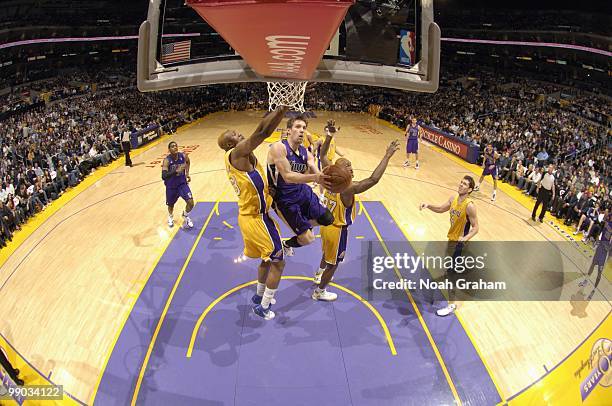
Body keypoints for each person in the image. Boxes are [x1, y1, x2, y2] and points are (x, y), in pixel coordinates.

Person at [314, 120, 399, 301]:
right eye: (347, 166)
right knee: (334, 264)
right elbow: (373, 179)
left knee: (327, 255)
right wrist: (387, 156)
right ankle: (320, 291)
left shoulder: (329, 175)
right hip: (337, 230)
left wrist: (329, 136)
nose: (351, 168)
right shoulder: (347, 188)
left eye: (351, 165)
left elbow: (322, 155)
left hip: (325, 226)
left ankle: (318, 274)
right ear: (340, 171)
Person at [218, 106, 289, 320]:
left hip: (256, 216)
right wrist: (283, 108)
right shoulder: (237, 153)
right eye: (237, 136)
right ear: (231, 144)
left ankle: (259, 297)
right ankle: (264, 307)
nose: (241, 135)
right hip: (255, 219)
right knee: (278, 261)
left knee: (267, 260)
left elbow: (261, 129)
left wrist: (276, 109)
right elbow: (262, 133)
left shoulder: (245, 155)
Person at [266, 115, 333, 254]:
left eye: (304, 127)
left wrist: (324, 181)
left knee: (328, 218)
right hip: (284, 199)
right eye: (297, 127)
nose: (302, 130)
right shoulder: (278, 148)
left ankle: (302, 225)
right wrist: (316, 177)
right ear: (289, 130)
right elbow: (288, 177)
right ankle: (287, 244)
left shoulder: (306, 153)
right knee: (308, 239)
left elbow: (315, 170)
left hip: (302, 191)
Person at [419, 175, 480, 316]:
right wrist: (428, 205)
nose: (461, 185)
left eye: (465, 184)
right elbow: (441, 209)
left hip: (459, 244)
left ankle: (451, 305)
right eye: (461, 182)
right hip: (451, 239)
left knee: (452, 273)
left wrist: (464, 238)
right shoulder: (453, 199)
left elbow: (476, 228)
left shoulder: (470, 206)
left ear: (470, 189)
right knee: (450, 270)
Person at [162, 141, 194, 229]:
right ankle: (170, 216)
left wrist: (187, 173)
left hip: (182, 184)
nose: (175, 147)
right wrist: (176, 171)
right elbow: (164, 176)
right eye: (172, 146)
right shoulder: (167, 161)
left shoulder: (183, 156)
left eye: (176, 146)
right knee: (171, 205)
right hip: (171, 186)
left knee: (191, 202)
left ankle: (185, 215)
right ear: (169, 150)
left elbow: (188, 161)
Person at [578, 212, 611, 298]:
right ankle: (586, 281)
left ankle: (594, 289)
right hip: (600, 247)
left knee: (599, 272)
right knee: (592, 265)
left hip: (605, 251)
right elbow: (602, 229)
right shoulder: (607, 220)